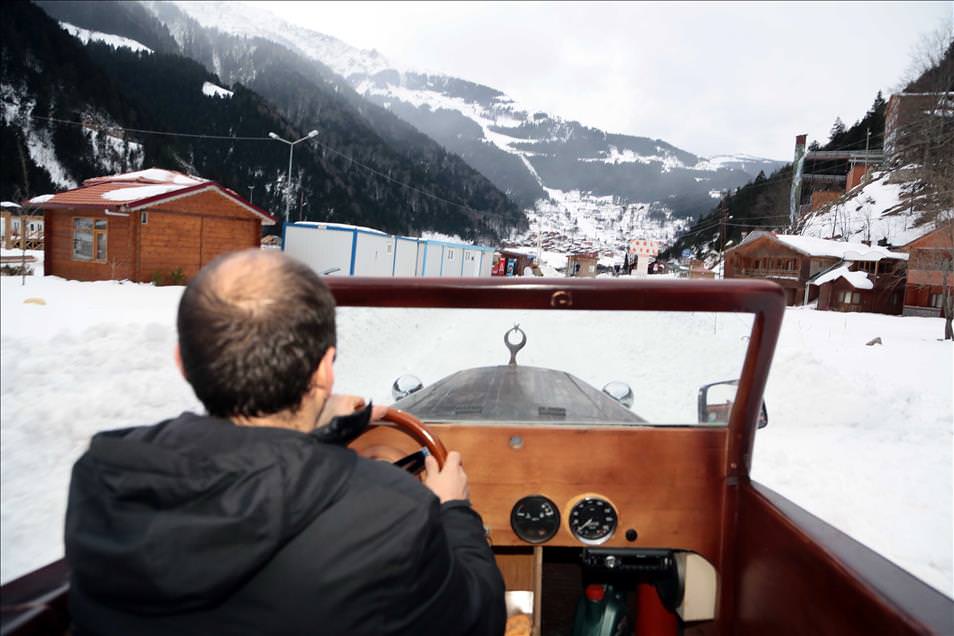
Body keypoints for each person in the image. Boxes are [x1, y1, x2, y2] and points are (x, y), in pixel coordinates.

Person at [64, 249, 505, 636]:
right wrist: (454, 511)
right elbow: (480, 619)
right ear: (325, 370)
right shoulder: (395, 514)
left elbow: (255, 468)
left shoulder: (104, 479)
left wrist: (330, 427)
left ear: (182, 362)